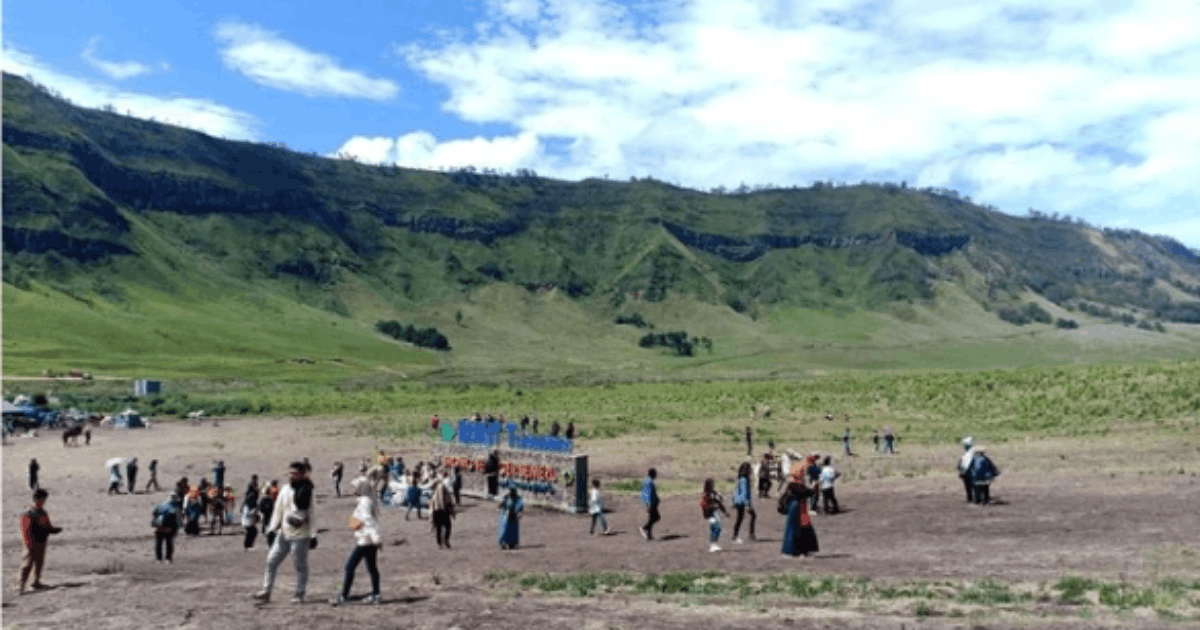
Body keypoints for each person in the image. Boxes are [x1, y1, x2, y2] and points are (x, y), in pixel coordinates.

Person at [254, 462, 317, 604]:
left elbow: (313, 513)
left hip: (301, 535)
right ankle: (266, 590)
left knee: (300, 565)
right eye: (289, 473)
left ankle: (299, 593)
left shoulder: (308, 490)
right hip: (283, 533)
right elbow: (278, 509)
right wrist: (272, 528)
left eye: (294, 473)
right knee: (271, 560)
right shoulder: (285, 489)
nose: (291, 476)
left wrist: (313, 534)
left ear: (301, 474)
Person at [332, 477, 382, 606]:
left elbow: (369, 520)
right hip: (368, 539)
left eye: (356, 487)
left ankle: (344, 596)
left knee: (349, 567)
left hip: (365, 540)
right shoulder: (367, 500)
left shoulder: (365, 501)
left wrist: (376, 538)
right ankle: (376, 595)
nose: (353, 489)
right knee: (372, 568)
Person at [19, 489, 62, 594]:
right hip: (31, 542)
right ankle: (22, 586)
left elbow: (47, 526)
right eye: (41, 499)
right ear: (35, 499)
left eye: (44, 500)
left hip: (41, 540)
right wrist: (28, 543)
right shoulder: (28, 513)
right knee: (27, 563)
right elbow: (25, 530)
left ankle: (36, 582)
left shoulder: (42, 512)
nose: (43, 502)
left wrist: (53, 530)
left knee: (39, 562)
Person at [779, 465, 819, 558]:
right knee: (799, 530)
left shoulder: (791, 484)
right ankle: (800, 551)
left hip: (792, 509)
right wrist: (814, 486)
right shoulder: (798, 485)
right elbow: (809, 493)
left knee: (791, 529)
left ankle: (790, 550)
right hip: (799, 509)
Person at [700, 478, 730, 553]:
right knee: (715, 527)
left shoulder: (714, 493)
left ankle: (715, 543)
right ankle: (713, 544)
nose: (713, 485)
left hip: (715, 512)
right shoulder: (705, 494)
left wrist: (725, 512)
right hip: (710, 513)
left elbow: (720, 502)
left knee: (718, 527)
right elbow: (704, 505)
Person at [151, 492, 183, 562]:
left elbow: (153, 512)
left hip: (159, 528)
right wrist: (177, 529)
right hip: (169, 528)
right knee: (169, 544)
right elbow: (178, 520)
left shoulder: (161, 505)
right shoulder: (175, 507)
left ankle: (158, 559)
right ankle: (168, 558)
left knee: (158, 544)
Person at [429, 470, 456, 549]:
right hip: (443, 509)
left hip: (436, 510)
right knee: (447, 526)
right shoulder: (443, 486)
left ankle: (440, 543)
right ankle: (446, 541)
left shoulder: (433, 491)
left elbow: (432, 504)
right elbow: (447, 499)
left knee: (438, 528)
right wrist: (451, 511)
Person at [732, 462, 756, 542]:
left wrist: (733, 501)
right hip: (742, 502)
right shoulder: (744, 479)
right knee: (746, 517)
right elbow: (744, 492)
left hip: (739, 501)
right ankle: (749, 535)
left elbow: (736, 491)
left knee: (740, 518)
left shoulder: (740, 478)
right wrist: (747, 504)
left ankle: (736, 535)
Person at [639, 468, 661, 540]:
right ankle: (644, 528)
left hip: (650, 502)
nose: (656, 476)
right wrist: (650, 503)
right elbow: (649, 493)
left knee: (651, 518)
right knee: (656, 517)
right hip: (651, 503)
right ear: (653, 474)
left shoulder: (646, 481)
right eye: (655, 474)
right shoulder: (650, 482)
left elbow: (644, 492)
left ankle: (649, 535)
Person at [259, 480, 280, 549]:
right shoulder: (276, 490)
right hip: (273, 507)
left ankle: (264, 532)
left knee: (266, 523)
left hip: (268, 512)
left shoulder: (271, 491)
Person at [958, 437, 976, 502]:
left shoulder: (967, 454)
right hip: (972, 472)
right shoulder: (974, 451)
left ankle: (970, 498)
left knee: (968, 487)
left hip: (968, 472)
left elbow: (963, 464)